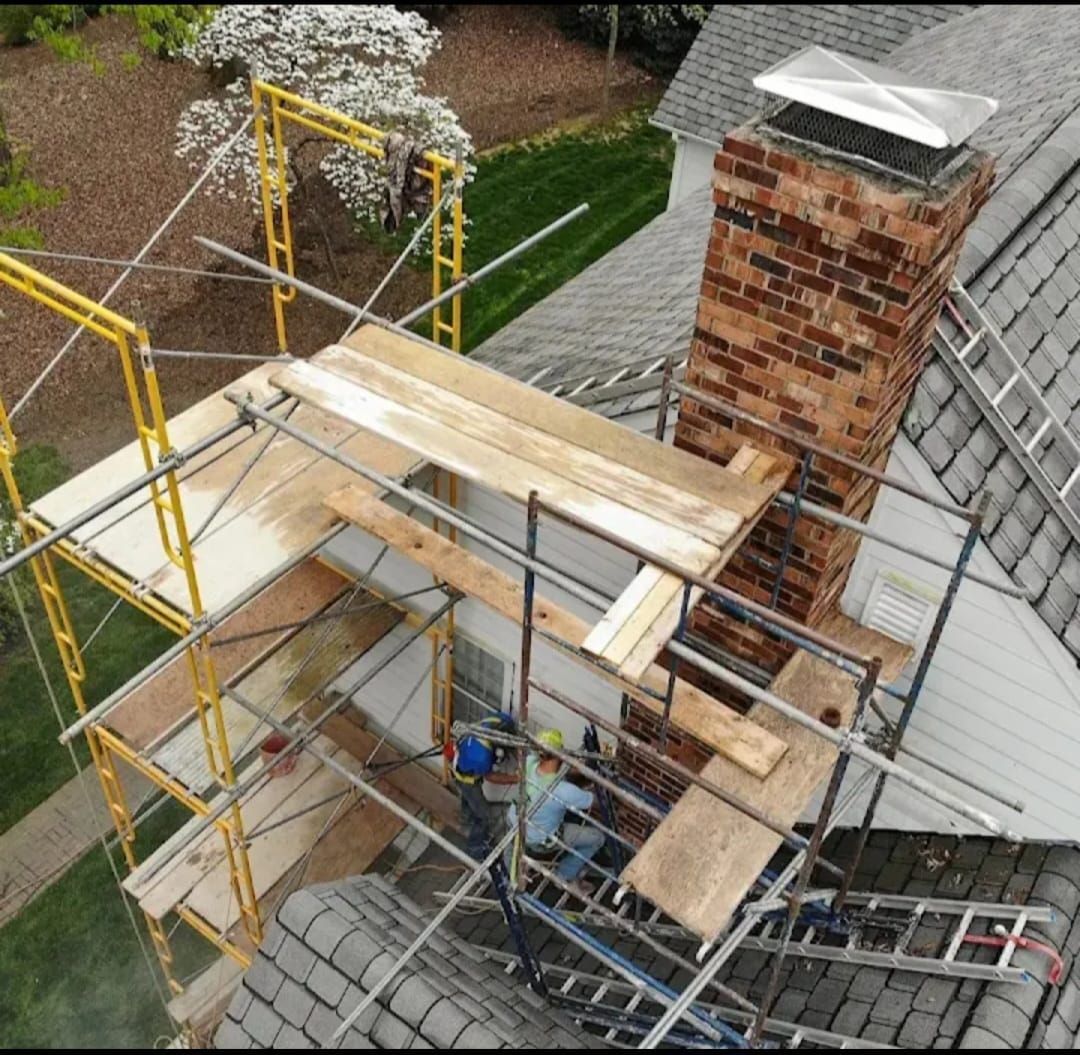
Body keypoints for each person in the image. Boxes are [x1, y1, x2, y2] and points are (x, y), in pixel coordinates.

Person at [509, 727, 604, 897]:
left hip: (515, 826)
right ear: (559, 754)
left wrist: (578, 768)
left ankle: (521, 863)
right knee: (597, 838)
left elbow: (556, 770)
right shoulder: (563, 791)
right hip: (540, 842)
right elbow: (596, 801)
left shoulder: (528, 762)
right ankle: (564, 876)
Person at [448, 711, 518, 862]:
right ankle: (475, 850)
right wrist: (515, 778)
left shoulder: (496, 722)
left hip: (460, 763)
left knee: (468, 799)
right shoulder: (481, 758)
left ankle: (466, 819)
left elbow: (511, 738)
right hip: (467, 779)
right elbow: (491, 777)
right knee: (484, 815)